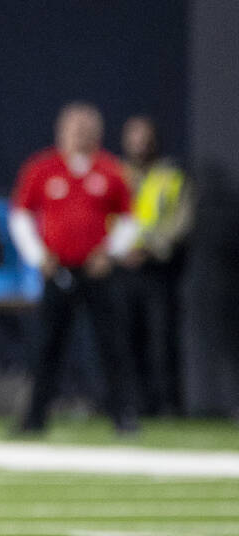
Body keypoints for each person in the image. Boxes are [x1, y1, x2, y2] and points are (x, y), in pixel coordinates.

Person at [8, 102, 141, 435]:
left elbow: (130, 220)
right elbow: (20, 216)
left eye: (87, 128)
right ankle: (34, 419)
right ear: (61, 131)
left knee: (112, 346)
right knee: (47, 346)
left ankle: (123, 417)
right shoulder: (42, 168)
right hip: (58, 270)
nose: (80, 134)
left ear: (98, 132)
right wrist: (39, 257)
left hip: (97, 272)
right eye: (75, 127)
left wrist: (109, 253)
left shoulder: (110, 170)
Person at [118, 115, 193, 416]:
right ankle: (134, 405)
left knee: (162, 340)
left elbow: (182, 222)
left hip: (160, 270)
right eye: (134, 137)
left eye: (145, 137)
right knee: (126, 340)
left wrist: (150, 248)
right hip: (123, 269)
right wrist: (119, 251)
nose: (140, 144)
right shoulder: (115, 174)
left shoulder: (170, 175)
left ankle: (169, 406)